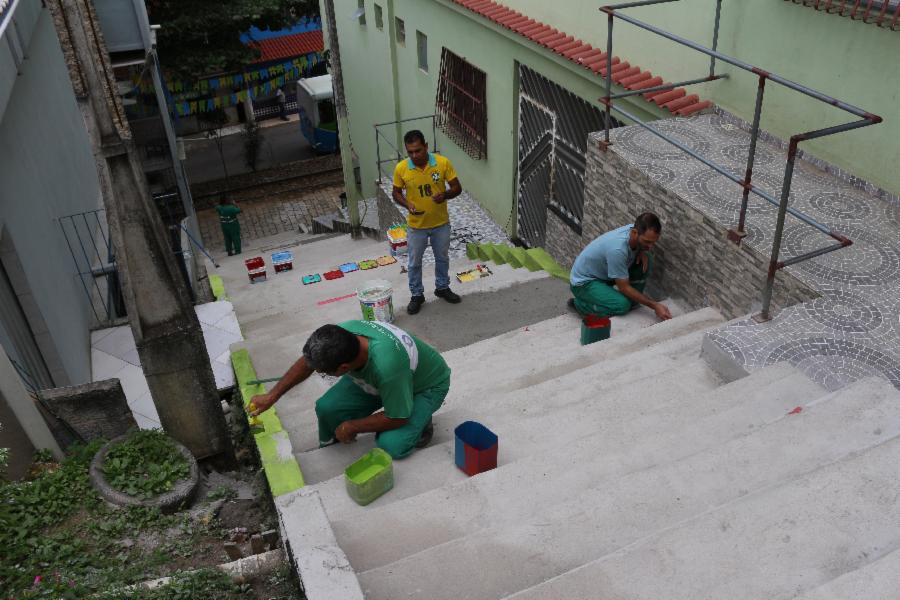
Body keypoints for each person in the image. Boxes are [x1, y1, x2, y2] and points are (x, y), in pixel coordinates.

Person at [250, 320, 451, 459]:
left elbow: (398, 417)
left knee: (393, 444)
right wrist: (272, 396)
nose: (318, 373)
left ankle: (423, 420)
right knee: (327, 408)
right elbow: (307, 363)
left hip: (425, 386)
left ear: (344, 368)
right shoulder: (343, 335)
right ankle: (335, 439)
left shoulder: (387, 367)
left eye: (324, 372)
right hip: (384, 381)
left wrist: (352, 426)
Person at [392, 130, 463, 315]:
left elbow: (457, 187)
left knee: (442, 258)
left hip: (441, 224)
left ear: (426, 146)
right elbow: (396, 193)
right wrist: (407, 204)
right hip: (416, 227)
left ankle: (442, 288)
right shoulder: (401, 168)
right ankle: (417, 295)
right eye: (410, 152)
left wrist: (445, 194)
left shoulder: (442, 163)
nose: (415, 155)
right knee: (414, 263)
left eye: (418, 150)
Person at [568, 212, 672, 321]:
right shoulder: (617, 250)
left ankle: (631, 300)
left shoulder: (635, 229)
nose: (650, 246)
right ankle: (580, 305)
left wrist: (642, 250)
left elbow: (642, 246)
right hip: (584, 283)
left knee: (647, 259)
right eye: (647, 242)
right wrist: (654, 305)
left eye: (653, 243)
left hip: (605, 274)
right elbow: (624, 287)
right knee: (622, 305)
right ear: (634, 232)